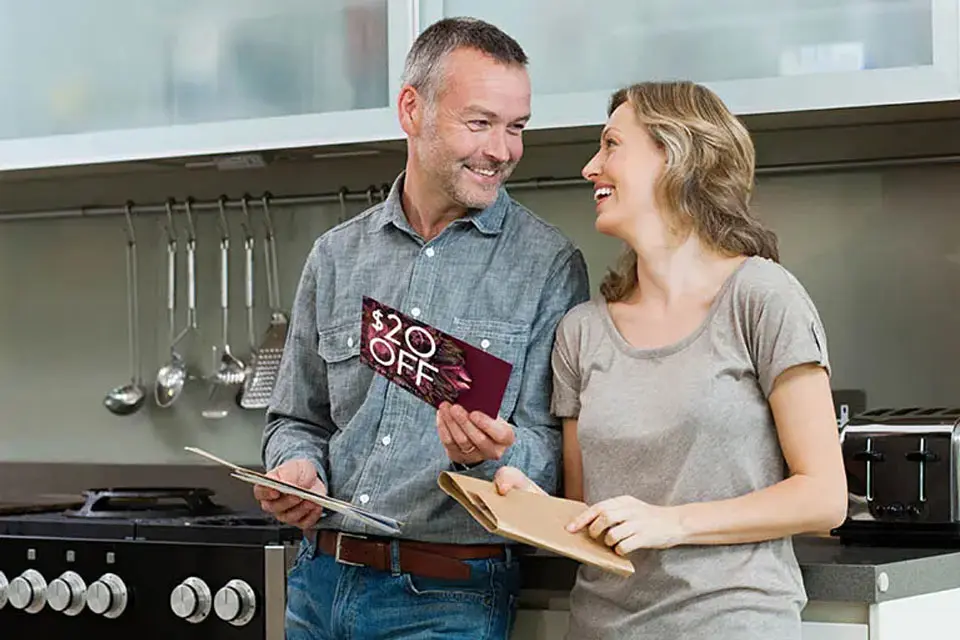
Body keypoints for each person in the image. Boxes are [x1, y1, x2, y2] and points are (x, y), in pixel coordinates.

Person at [256, 16, 591, 640]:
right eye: (480, 122)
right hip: (316, 585)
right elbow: (295, 419)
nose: (503, 150)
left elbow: (553, 457)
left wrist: (493, 455)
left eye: (516, 127)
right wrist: (296, 468)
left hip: (448, 599)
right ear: (412, 110)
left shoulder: (548, 265)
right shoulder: (335, 257)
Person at [496, 81, 848, 639]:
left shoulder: (761, 298)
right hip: (601, 627)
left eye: (611, 144)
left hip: (731, 623)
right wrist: (535, 509)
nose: (591, 167)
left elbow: (824, 497)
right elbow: (591, 512)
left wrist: (673, 523)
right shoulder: (582, 331)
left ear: (676, 155)